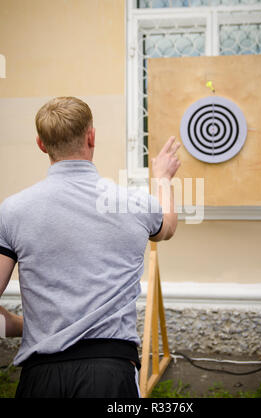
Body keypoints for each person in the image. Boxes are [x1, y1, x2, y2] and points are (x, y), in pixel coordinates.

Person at [0, 96, 181, 398]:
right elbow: (167, 228)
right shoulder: (133, 203)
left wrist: (24, 325)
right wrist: (162, 178)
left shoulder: (12, 211)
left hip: (40, 376)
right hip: (111, 372)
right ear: (91, 136)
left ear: (41, 144)